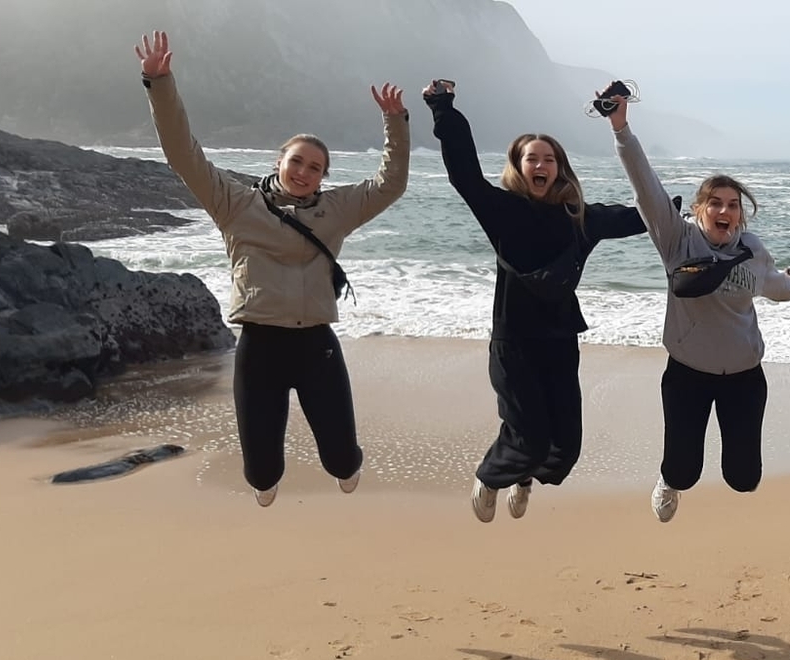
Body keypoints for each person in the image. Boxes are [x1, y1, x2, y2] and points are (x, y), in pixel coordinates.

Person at [135, 31, 409, 507]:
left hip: (316, 345)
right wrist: (159, 84)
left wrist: (395, 123)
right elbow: (183, 154)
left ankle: (347, 465)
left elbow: (391, 184)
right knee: (261, 474)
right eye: (297, 161)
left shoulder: (337, 210)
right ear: (279, 161)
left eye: (315, 168)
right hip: (260, 346)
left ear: (323, 177)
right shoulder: (235, 204)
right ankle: (267, 480)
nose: (303, 172)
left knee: (342, 461)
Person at [422, 80, 646, 523]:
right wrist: (443, 107)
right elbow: (464, 173)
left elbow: (640, 216)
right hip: (515, 340)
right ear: (518, 167)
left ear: (560, 169)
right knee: (529, 437)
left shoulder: (580, 217)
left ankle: (522, 475)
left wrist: (689, 215)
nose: (541, 165)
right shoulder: (501, 209)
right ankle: (492, 476)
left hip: (560, 340)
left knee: (565, 448)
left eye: (549, 159)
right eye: (532, 158)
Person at [601, 83, 790, 523]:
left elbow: (775, 286)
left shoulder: (752, 249)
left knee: (744, 479)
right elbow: (647, 189)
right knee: (683, 471)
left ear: (740, 214)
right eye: (715, 203)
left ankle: (717, 472)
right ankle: (668, 480)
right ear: (699, 209)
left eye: (732, 205)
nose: (724, 211)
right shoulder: (678, 240)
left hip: (744, 376)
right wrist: (621, 129)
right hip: (687, 374)